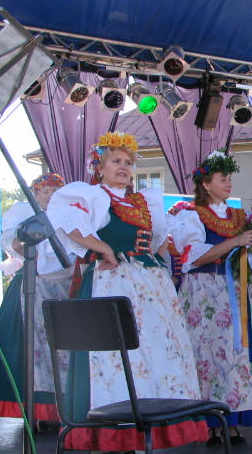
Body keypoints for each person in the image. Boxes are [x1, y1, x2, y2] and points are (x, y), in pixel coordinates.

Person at [47, 132, 206, 452]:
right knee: (116, 357)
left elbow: (157, 242)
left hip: (150, 288)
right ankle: (116, 433)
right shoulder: (93, 196)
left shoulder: (143, 201)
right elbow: (66, 221)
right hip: (112, 284)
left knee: (157, 353)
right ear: (100, 167)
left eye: (128, 163)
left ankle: (154, 425)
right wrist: (102, 247)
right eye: (116, 161)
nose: (123, 167)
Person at [169, 150, 252, 446]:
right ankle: (211, 423)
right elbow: (194, 258)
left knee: (237, 356)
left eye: (229, 178)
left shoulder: (241, 216)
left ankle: (232, 422)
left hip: (240, 289)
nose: (228, 182)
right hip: (206, 293)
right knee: (209, 355)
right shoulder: (191, 214)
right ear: (206, 184)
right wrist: (236, 241)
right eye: (222, 178)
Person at [0, 173, 71, 429]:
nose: (50, 196)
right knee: (31, 347)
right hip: (32, 284)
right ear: (35, 194)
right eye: (45, 191)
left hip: (64, 285)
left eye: (55, 191)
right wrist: (29, 243)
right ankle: (36, 410)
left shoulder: (67, 215)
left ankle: (66, 408)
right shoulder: (24, 214)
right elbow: (13, 243)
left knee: (65, 346)